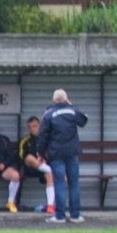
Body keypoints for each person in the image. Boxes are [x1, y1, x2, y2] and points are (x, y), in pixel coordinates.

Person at [35, 89, 88, 224]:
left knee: (59, 183)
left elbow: (43, 135)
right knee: (74, 183)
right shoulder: (72, 111)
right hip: (72, 153)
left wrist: (40, 153)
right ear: (66, 99)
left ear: (54, 100)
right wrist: (71, 105)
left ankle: (60, 216)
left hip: (56, 153)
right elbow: (83, 120)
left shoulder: (49, 113)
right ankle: (75, 216)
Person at [17, 116, 56, 215]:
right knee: (29, 157)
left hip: (44, 168)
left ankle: (50, 206)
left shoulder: (47, 139)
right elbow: (21, 156)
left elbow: (53, 154)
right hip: (29, 168)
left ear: (39, 126)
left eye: (34, 126)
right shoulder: (25, 140)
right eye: (29, 127)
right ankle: (50, 170)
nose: (32, 129)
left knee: (49, 175)